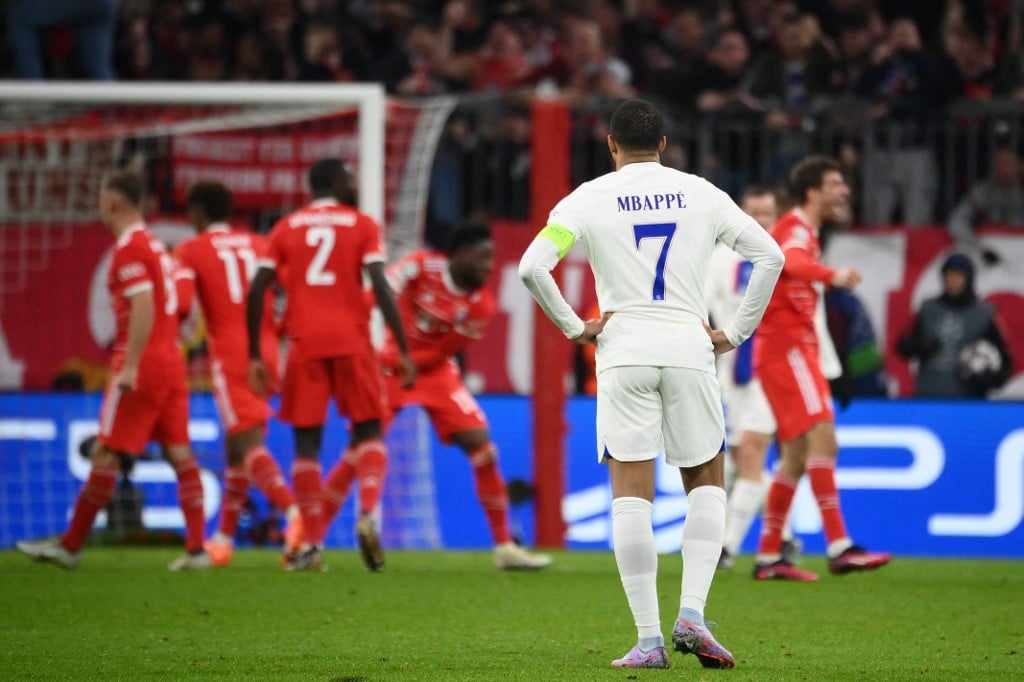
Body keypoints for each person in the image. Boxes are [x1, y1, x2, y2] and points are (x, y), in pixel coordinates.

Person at [520, 99, 784, 670]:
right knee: (707, 482)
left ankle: (648, 640)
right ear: (664, 145)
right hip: (689, 347)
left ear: (610, 145)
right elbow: (770, 255)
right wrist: (735, 332)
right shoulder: (702, 192)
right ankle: (692, 613)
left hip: (623, 348)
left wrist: (576, 327)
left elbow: (531, 267)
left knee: (631, 493)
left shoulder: (585, 198)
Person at [325, 222, 551, 570]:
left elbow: (440, 352)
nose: (489, 267)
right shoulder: (419, 265)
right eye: (483, 257)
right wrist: (370, 349)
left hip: (433, 373)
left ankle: (505, 547)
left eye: (492, 260)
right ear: (458, 255)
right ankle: (308, 538)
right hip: (388, 365)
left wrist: (400, 360)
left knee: (483, 447)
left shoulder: (482, 306)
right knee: (359, 449)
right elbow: (376, 294)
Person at [17, 170, 208, 571]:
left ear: (112, 202)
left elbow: (143, 305)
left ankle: (69, 546)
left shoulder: (130, 249)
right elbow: (180, 306)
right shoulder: (156, 246)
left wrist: (133, 364)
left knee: (107, 452)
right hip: (172, 361)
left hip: (144, 362)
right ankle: (196, 551)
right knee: (180, 453)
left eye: (101, 197)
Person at [247, 159, 415, 572]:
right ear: (338, 184)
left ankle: (311, 546)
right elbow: (379, 281)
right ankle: (369, 513)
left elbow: (257, 289)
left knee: (308, 444)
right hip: (352, 339)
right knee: (369, 430)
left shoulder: (286, 227)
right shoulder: (361, 224)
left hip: (303, 343)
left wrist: (255, 352)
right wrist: (404, 348)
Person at [752, 155, 892, 582]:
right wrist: (832, 275)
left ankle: (768, 556)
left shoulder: (805, 229)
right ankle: (839, 546)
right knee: (824, 442)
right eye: (835, 184)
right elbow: (789, 262)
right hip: (788, 350)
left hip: (786, 351)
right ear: (813, 192)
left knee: (794, 456)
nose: (844, 191)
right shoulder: (796, 228)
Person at [174, 180, 302, 567]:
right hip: (267, 350)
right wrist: (277, 332)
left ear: (197, 213)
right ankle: (224, 541)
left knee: (246, 443)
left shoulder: (190, 250)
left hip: (232, 354)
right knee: (237, 449)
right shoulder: (258, 244)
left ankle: (296, 516)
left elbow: (180, 306)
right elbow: (293, 288)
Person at [704, 185, 814, 569]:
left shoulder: (785, 259)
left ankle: (726, 547)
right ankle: (784, 536)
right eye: (752, 212)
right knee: (736, 458)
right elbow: (704, 309)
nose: (759, 220)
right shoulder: (718, 258)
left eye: (766, 213)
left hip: (772, 369)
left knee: (751, 453)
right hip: (732, 371)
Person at [896, 253, 1013, 398]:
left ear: (969, 279)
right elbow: (902, 345)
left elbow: (1004, 360)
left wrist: (990, 378)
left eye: (959, 276)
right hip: (929, 395)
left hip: (968, 399)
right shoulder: (929, 309)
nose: (953, 280)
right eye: (949, 275)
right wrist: (919, 346)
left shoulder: (984, 314)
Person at [946, 145, 1024, 265]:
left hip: (1020, 251)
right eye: (998, 163)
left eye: (1007, 162)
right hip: (990, 251)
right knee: (960, 253)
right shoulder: (983, 190)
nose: (1002, 168)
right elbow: (956, 222)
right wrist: (979, 246)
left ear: (1020, 165)